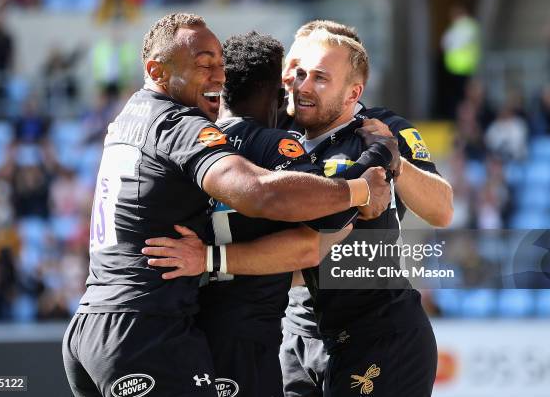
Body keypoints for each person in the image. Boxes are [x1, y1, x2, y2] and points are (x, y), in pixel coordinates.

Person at [62, 13, 386, 397]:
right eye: (204, 64)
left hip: (92, 322)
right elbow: (259, 192)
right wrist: (359, 188)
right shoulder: (180, 124)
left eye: (221, 64)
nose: (218, 75)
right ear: (157, 70)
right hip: (147, 331)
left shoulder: (129, 116)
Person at [149, 31, 395, 397]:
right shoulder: (272, 145)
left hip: (191, 326)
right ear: (275, 95)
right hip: (249, 330)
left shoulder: (194, 142)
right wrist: (379, 155)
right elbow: (329, 214)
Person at [278, 20, 452, 397]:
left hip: (375, 327)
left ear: (351, 89)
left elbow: (442, 209)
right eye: (297, 70)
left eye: (319, 76)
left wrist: (396, 163)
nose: (300, 82)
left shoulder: (383, 127)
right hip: (297, 329)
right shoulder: (276, 132)